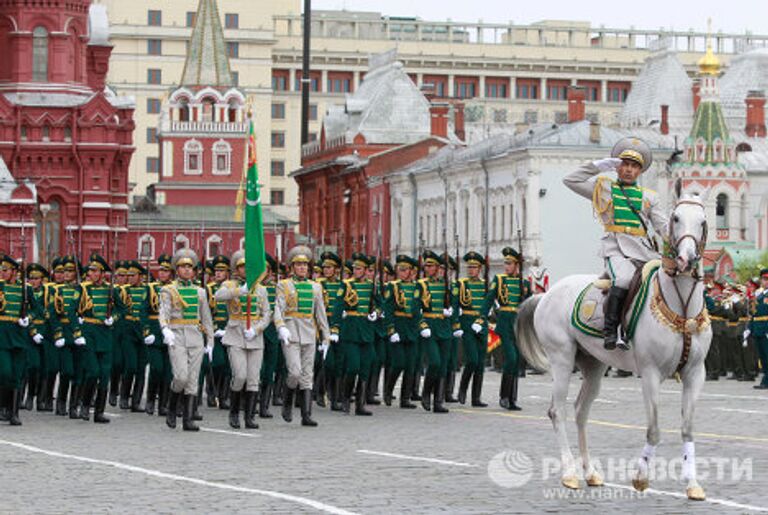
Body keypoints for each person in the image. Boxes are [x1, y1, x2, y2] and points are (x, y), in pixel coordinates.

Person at [563, 137, 668, 350]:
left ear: (640, 171)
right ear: (617, 168)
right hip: (616, 249)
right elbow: (570, 180)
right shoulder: (604, 188)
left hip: (644, 251)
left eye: (634, 166)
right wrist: (597, 166)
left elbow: (663, 228)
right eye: (625, 165)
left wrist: (683, 240)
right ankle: (611, 330)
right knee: (623, 279)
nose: (629, 170)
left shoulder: (649, 197)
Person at [274, 245, 330, 426]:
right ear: (292, 267)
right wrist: (281, 326)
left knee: (307, 374)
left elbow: (320, 313)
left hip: (309, 332)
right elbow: (278, 309)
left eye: (305, 265)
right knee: (294, 372)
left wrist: (325, 336)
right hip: (290, 332)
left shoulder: (316, 287)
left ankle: (306, 415)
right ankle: (288, 400)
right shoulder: (283, 285)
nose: (302, 268)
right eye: (298, 265)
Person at [158, 248, 214, 431]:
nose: (187, 270)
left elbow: (206, 318)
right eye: (183, 267)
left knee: (193, 380)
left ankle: (188, 419)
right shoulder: (168, 290)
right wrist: (165, 329)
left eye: (190, 267)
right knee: (181, 377)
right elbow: (164, 312)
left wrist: (210, 342)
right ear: (177, 269)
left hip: (195, 336)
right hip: (177, 335)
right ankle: (172, 407)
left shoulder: (200, 292)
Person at [215, 250, 270, 429]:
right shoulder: (229, 284)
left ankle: (249, 417)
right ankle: (234, 412)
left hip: (254, 335)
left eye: (248, 266)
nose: (245, 269)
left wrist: (257, 329)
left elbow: (267, 314)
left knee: (253, 378)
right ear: (236, 269)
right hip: (236, 335)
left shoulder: (260, 288)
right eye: (241, 267)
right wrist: (240, 291)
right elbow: (218, 296)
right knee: (240, 376)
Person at [330, 253, 380, 416]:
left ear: (366, 270)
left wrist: (376, 313)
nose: (356, 271)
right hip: (350, 331)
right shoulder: (346, 285)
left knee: (365, 368)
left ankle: (360, 404)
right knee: (353, 366)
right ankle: (345, 398)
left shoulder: (372, 285)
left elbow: (381, 304)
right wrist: (335, 328)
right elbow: (338, 307)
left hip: (366, 331)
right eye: (355, 268)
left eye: (359, 269)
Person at [77, 254, 125, 422]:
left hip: (105, 334)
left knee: (104, 374)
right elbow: (72, 310)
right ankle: (84, 404)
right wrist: (78, 326)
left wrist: (114, 318)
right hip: (89, 332)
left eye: (96, 271)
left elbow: (122, 309)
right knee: (92, 372)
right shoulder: (83, 288)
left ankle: (99, 411)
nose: (92, 274)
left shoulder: (111, 290)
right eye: (91, 270)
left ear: (103, 273)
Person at [481, 248, 530, 411]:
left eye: (509, 263)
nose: (506, 266)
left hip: (518, 325)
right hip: (504, 324)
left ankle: (512, 398)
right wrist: (481, 317)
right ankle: (504, 396)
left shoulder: (524, 283)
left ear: (517, 265)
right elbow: (489, 299)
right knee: (510, 358)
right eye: (505, 263)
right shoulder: (499, 279)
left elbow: (528, 305)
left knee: (516, 361)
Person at [416, 250, 461, 414]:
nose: (428, 268)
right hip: (429, 329)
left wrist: (454, 321)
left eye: (431, 266)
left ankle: (438, 401)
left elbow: (455, 307)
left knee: (443, 366)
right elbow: (416, 309)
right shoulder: (421, 285)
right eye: (427, 265)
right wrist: (422, 325)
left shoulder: (449, 286)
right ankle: (426, 393)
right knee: (434, 362)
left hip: (445, 329)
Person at [0, 254, 37, 425]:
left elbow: (36, 310)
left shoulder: (26, 289)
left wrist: (27, 318)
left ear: (15, 272)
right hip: (2, 336)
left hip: (19, 336)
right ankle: (3, 406)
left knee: (16, 374)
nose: (3, 272)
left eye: (6, 270)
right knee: (5, 372)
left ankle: (14, 413)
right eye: (2, 269)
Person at [383, 255, 421, 409]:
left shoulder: (418, 287)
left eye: (406, 270)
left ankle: (405, 399)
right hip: (398, 327)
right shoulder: (392, 286)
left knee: (411, 365)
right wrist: (391, 330)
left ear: (412, 271)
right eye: (400, 269)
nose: (402, 272)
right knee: (398, 363)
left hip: (412, 329)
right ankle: (388, 390)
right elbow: (388, 309)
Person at [456, 251, 489, 407]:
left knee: (480, 363)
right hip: (467, 324)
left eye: (474, 267)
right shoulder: (461, 284)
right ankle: (462, 389)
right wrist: (457, 324)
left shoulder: (486, 284)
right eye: (469, 267)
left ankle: (476, 398)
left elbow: (488, 304)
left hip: (481, 325)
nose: (471, 270)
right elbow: (456, 305)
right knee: (472, 360)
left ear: (480, 268)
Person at [143, 253, 174, 416]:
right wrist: (147, 331)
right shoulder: (150, 288)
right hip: (155, 331)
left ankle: (163, 404)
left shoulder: (175, 289)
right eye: (160, 270)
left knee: (168, 372)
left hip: (171, 332)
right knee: (157, 368)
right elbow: (143, 311)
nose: (162, 273)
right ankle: (150, 399)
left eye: (166, 271)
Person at [317, 251, 343, 410]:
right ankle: (320, 391)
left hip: (338, 327)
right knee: (326, 363)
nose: (326, 270)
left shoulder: (342, 285)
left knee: (338, 364)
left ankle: (335, 398)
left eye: (330, 267)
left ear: (337, 269)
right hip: (322, 326)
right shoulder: (318, 284)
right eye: (324, 267)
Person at [750, 269, 768, 389]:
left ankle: (766, 379)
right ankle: (766, 377)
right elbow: (753, 313)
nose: (766, 282)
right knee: (762, 355)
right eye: (764, 279)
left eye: (767, 279)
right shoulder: (759, 294)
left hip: (766, 328)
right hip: (758, 328)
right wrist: (750, 327)